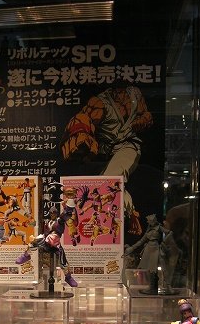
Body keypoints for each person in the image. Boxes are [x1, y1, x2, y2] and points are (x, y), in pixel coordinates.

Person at [61, 84, 153, 236]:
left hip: (128, 145)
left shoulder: (134, 94)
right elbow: (83, 120)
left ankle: (129, 215)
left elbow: (146, 115)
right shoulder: (100, 102)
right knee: (106, 184)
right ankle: (130, 214)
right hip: (104, 150)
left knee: (110, 179)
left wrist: (142, 120)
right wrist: (82, 135)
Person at [15, 205, 78, 287]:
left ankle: (68, 277)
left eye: (54, 213)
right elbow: (45, 234)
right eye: (51, 213)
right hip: (47, 243)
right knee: (33, 242)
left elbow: (64, 216)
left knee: (64, 262)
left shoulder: (59, 221)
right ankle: (26, 255)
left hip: (56, 245)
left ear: (56, 213)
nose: (52, 214)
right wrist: (37, 238)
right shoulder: (48, 223)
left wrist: (68, 209)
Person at [123, 213, 173, 294]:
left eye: (150, 221)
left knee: (163, 267)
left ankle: (169, 287)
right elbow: (141, 241)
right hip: (149, 250)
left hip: (156, 249)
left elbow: (170, 233)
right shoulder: (148, 230)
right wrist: (131, 248)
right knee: (151, 270)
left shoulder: (159, 228)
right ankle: (151, 287)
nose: (149, 222)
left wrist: (164, 242)